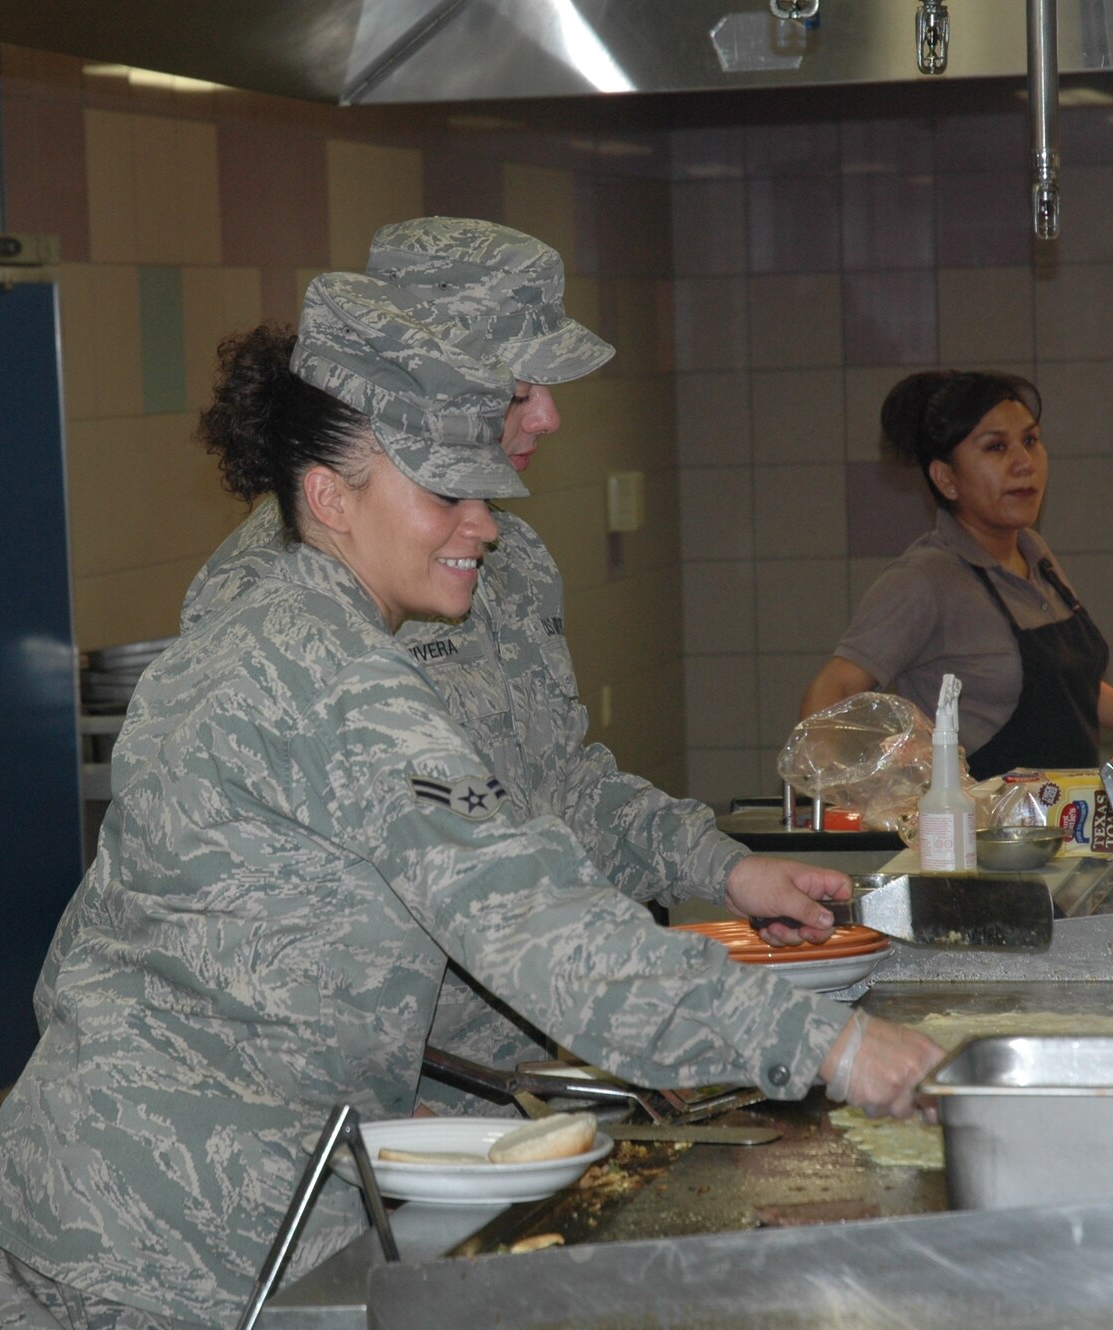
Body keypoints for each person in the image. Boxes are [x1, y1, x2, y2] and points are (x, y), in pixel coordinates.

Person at [0, 272, 945, 1329]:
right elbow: (536, 924)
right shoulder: (336, 680)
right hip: (168, 1233)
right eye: (443, 495)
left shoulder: (291, 638)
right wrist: (826, 1047)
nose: (482, 525)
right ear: (330, 496)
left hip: (126, 1197)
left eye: (482, 492)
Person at [182, 218, 854, 1109]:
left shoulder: (503, 556)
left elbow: (554, 780)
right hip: (381, 1103)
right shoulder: (284, 598)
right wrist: (816, 1045)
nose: (549, 415)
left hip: (531, 1070)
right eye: (519, 385)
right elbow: (447, 891)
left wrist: (722, 869)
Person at [801, 370, 1113, 779]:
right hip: (979, 836)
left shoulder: (1034, 553)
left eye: (1030, 440)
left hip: (1064, 826)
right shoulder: (924, 577)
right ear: (946, 479)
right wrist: (853, 792)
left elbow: (1067, 684)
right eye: (996, 447)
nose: (1024, 463)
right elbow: (835, 689)